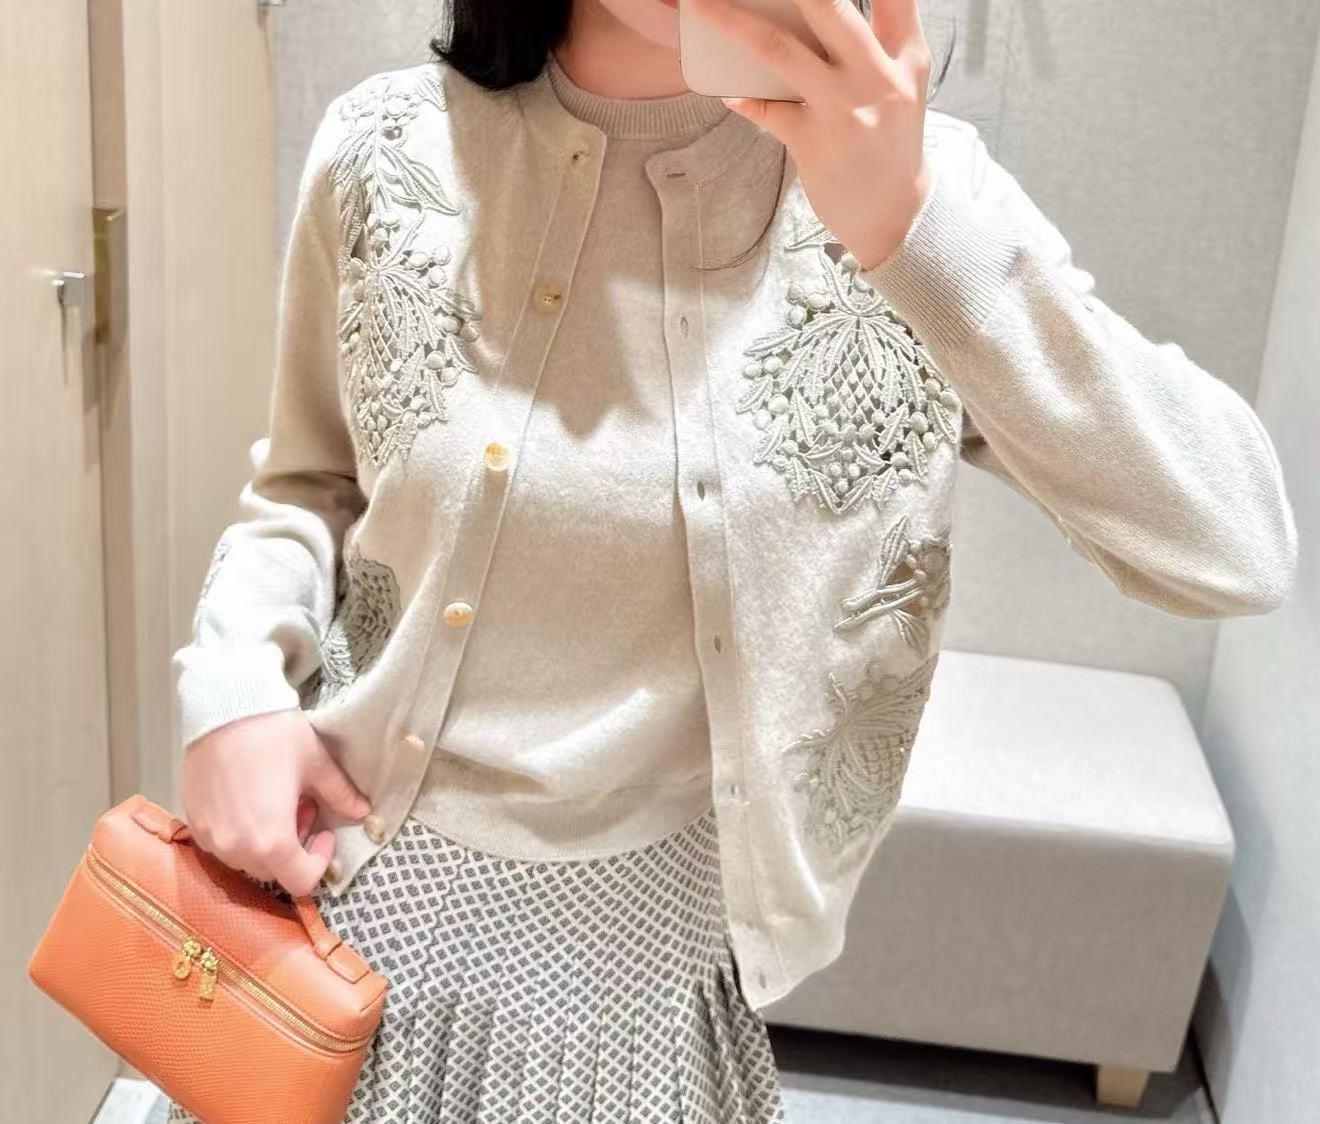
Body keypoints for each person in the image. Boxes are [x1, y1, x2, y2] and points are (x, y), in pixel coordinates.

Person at [166, 0, 1298, 1120]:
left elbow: (1234, 545)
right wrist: (232, 688)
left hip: (660, 1011)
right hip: (343, 928)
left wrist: (912, 230)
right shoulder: (386, 148)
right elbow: (306, 486)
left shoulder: (912, 197)